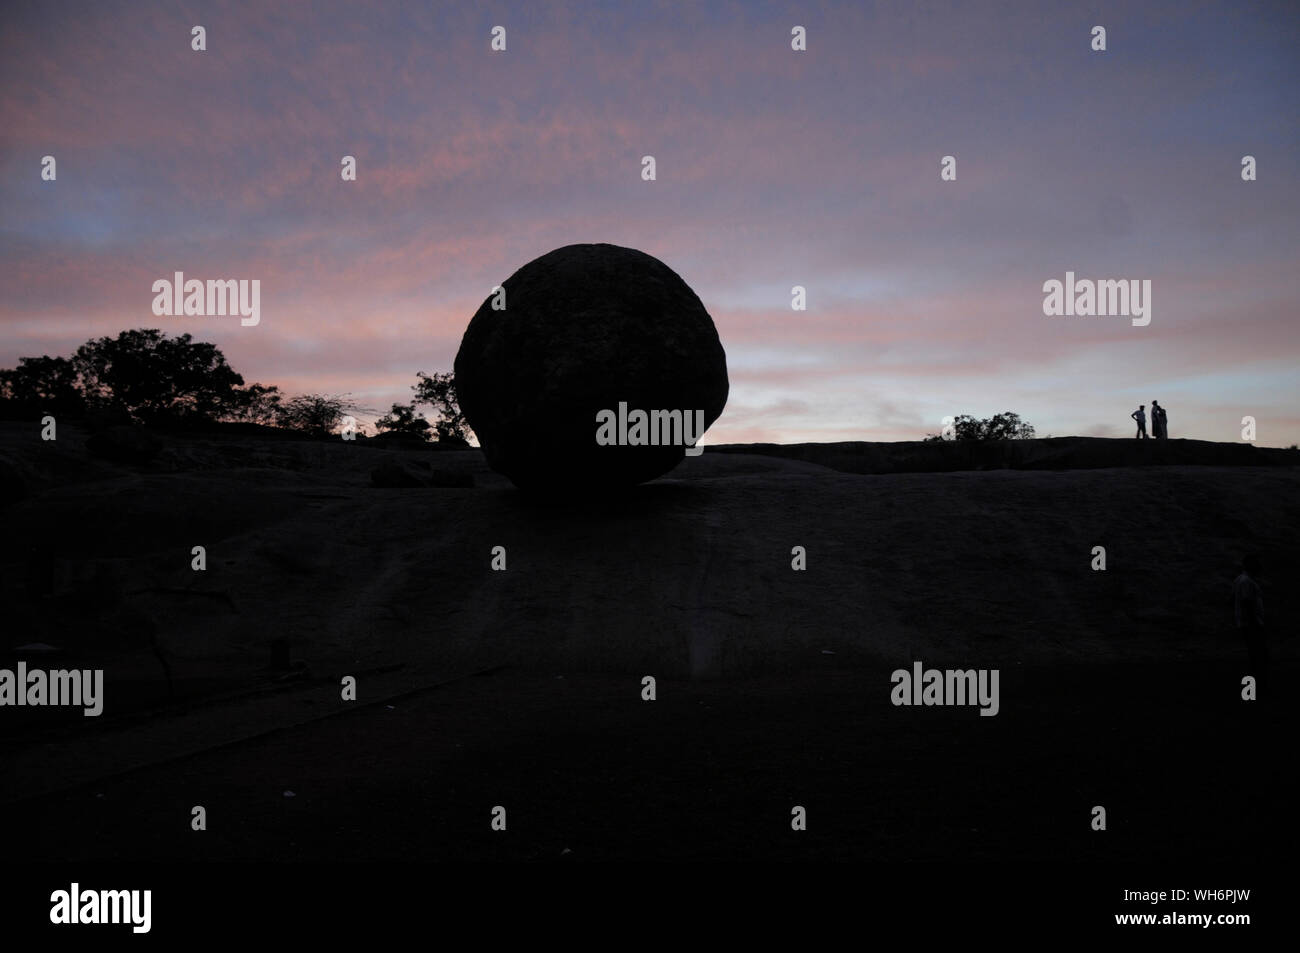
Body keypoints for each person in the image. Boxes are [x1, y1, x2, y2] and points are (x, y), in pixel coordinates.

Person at [1233, 555, 1266, 691]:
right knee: (1257, 654)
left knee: (1254, 653)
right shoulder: (1247, 581)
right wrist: (1254, 622)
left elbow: (1233, 599)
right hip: (1251, 623)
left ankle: (1251, 686)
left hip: (1246, 622)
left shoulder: (1239, 580)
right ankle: (1253, 686)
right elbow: (1247, 602)